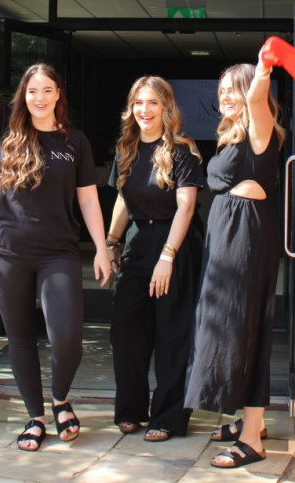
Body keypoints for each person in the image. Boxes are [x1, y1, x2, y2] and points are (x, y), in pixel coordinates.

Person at [0, 0, 111, 451]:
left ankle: (61, 399)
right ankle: (36, 416)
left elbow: (89, 198)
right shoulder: (6, 126)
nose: (40, 97)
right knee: (20, 338)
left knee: (67, 338)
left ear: (59, 95)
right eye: (33, 90)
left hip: (58, 252)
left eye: (48, 90)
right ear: (25, 95)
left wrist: (100, 246)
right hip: (7, 253)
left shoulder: (74, 141)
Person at [184, 47, 285, 469]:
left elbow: (258, 99)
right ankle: (251, 421)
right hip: (226, 237)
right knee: (226, 326)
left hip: (245, 238)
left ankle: (252, 440)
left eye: (234, 90)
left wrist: (261, 71)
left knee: (243, 328)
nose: (227, 96)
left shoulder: (261, 128)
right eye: (222, 90)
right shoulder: (234, 134)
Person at [105, 76, 204, 442]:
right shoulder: (127, 149)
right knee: (126, 331)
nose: (145, 110)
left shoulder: (182, 150)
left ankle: (168, 417)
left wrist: (168, 256)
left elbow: (187, 206)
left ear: (166, 108)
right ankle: (131, 410)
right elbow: (122, 199)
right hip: (138, 242)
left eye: (153, 103)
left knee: (171, 334)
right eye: (139, 103)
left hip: (174, 242)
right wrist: (112, 241)